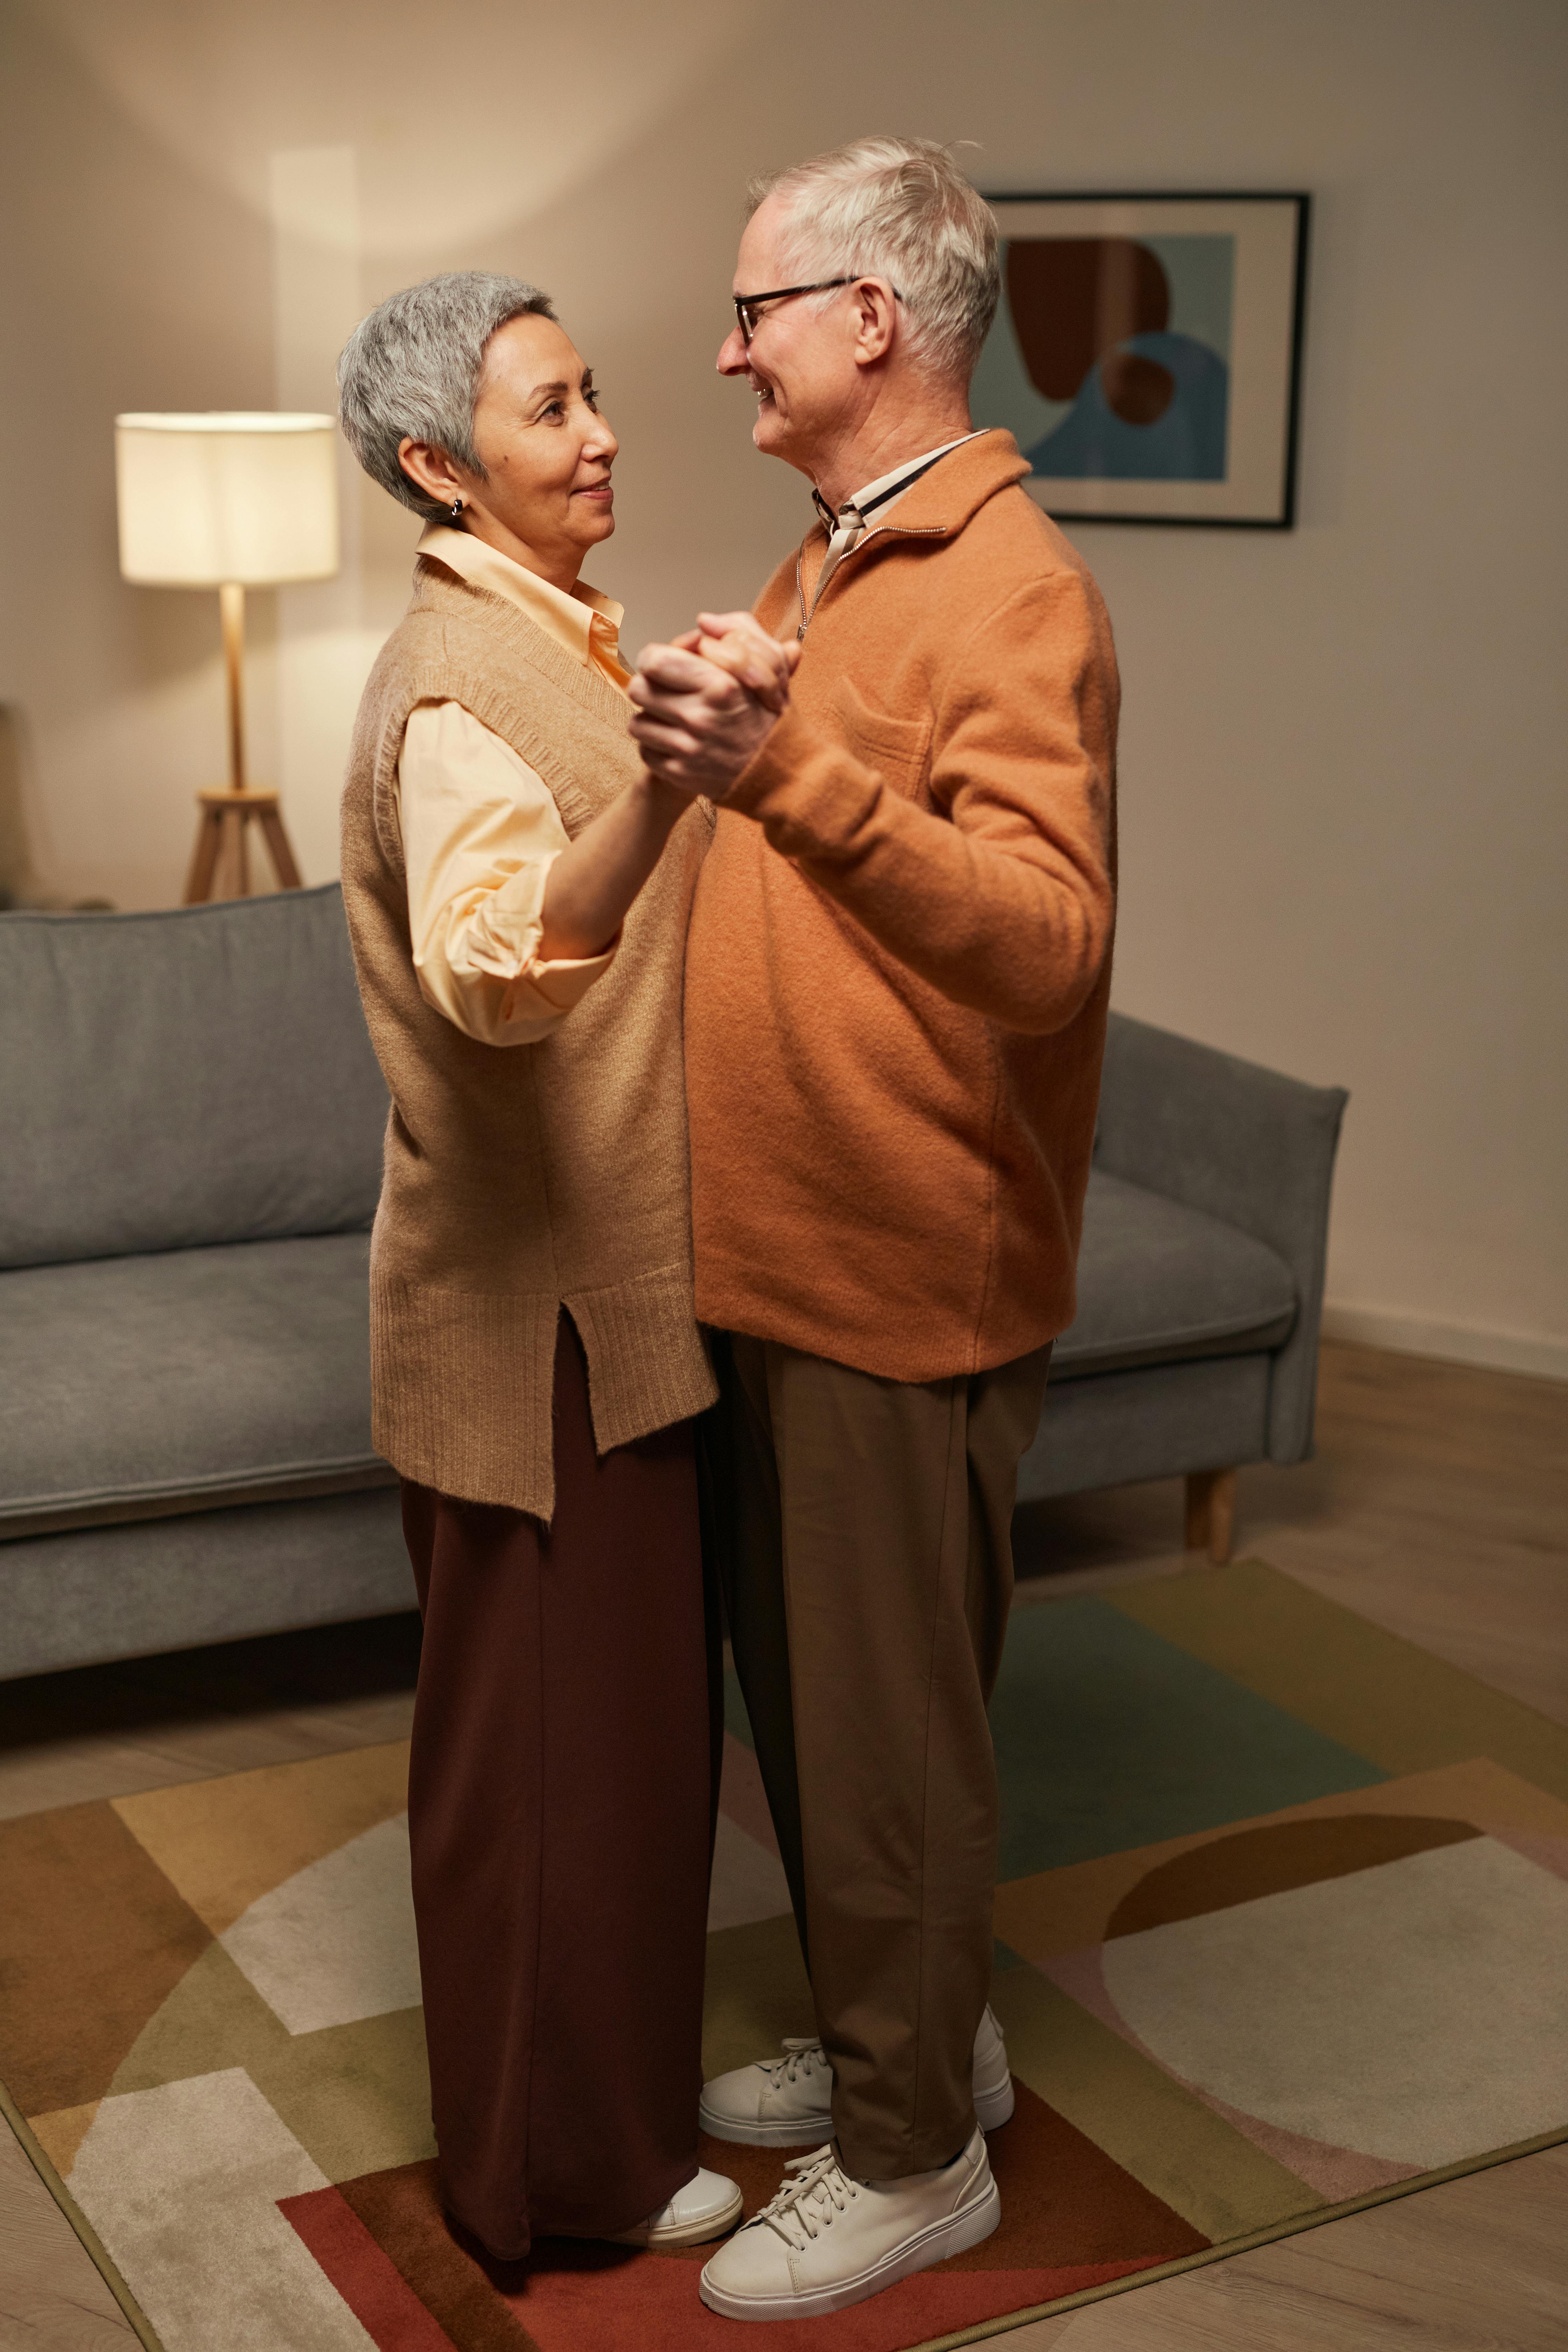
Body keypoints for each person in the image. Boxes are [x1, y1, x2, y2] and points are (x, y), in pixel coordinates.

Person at [628, 140, 1120, 2321]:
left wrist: (793, 779)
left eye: (756, 305)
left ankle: (916, 2158)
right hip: (780, 1257)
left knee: (888, 1743)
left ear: (871, 321)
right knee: (825, 1724)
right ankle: (920, 2039)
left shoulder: (1011, 587)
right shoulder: (841, 554)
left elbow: (1044, 943)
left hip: (903, 1277)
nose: (724, 343)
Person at [335, 272, 789, 2266]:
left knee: (614, 1761)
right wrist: (674, 789)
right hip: (528, 1336)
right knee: (542, 1782)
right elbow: (500, 976)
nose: (601, 431)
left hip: (607, 1306)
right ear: (443, 465)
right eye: (549, 410)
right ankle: (555, 2180)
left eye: (594, 393)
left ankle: (600, 2102)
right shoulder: (453, 689)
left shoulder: (557, 633)